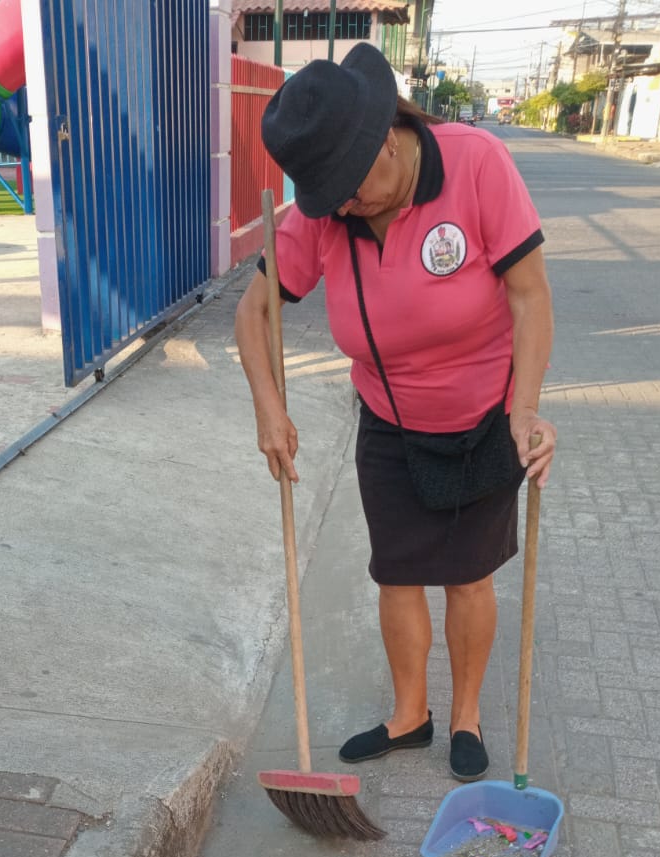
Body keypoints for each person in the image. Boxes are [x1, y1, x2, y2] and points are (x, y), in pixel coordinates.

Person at [235, 44, 555, 783]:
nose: (343, 208)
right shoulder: (326, 209)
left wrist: (526, 408)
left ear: (385, 140)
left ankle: (467, 714)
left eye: (349, 190)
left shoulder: (475, 163)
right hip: (388, 417)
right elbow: (255, 314)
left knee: (468, 576)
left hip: (485, 414)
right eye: (328, 199)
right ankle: (411, 714)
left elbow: (530, 295)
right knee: (398, 572)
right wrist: (269, 410)